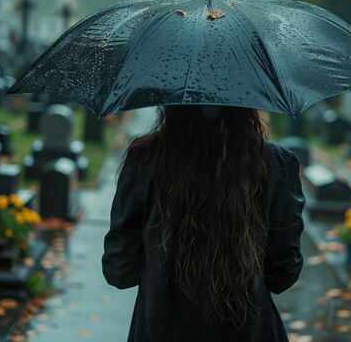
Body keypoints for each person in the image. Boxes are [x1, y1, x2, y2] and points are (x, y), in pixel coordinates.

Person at [102, 105, 305, 342]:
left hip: (160, 331)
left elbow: (120, 271)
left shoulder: (144, 160)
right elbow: (283, 274)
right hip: (249, 332)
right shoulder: (276, 164)